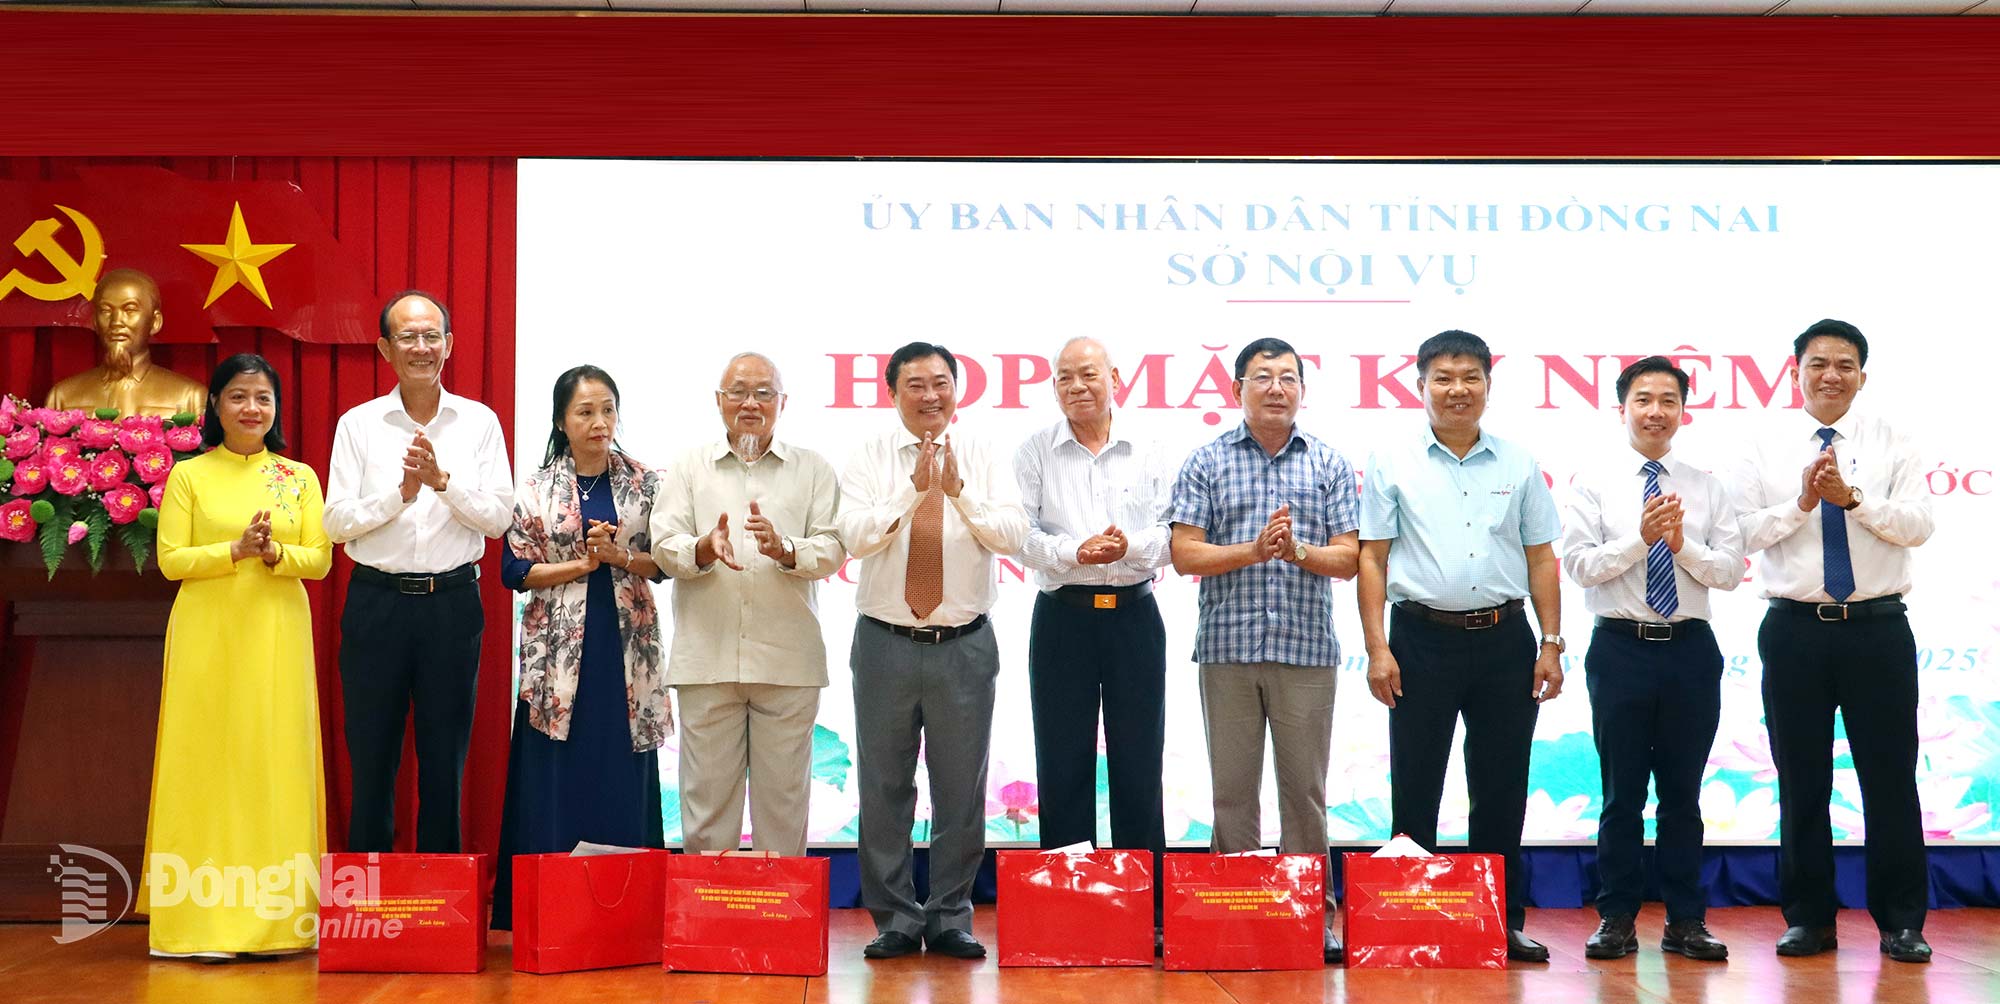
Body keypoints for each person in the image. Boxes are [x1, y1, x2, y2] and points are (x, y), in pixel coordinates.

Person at [1356, 329, 1564, 964]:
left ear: (1488, 386)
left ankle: (1498, 925)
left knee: (1501, 787)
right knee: (1415, 786)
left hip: (1505, 641)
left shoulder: (1519, 462)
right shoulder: (1392, 461)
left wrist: (1551, 643)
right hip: (1419, 640)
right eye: (1443, 378)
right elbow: (1373, 559)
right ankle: (1407, 921)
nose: (1457, 390)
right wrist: (1376, 647)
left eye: (1470, 377)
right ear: (1420, 387)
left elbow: (1541, 559)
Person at [1729, 319, 1935, 964]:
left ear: (1862, 376)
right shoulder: (1761, 445)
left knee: (1890, 778)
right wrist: (1800, 503)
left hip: (1877, 628)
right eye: (1818, 363)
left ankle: (1902, 922)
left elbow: (1918, 524)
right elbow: (1743, 534)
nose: (1831, 375)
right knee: (1802, 778)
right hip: (1795, 631)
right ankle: (1809, 919)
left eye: (1845, 364)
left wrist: (1853, 500)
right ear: (1796, 372)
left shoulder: (1894, 441)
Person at [1166, 337, 1360, 964]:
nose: (1275, 387)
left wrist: (1298, 551)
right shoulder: (1206, 461)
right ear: (1236, 389)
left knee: (1303, 792)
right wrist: (1253, 550)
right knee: (1233, 792)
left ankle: (1312, 920)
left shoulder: (1328, 464)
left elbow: (1350, 558)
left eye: (1287, 377)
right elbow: (1184, 553)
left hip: (1306, 653)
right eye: (1261, 377)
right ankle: (1237, 913)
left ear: (1303, 389)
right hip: (1228, 649)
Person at [837, 342, 1027, 961]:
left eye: (941, 383)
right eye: (915, 385)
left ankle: (950, 915)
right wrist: (910, 493)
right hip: (886, 641)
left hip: (963, 645)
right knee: (884, 783)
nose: (930, 396)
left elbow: (1013, 534)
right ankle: (894, 916)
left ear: (957, 390)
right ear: (892, 394)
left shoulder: (984, 454)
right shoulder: (867, 457)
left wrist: (957, 493)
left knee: (960, 788)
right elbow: (854, 540)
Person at [140, 353, 331, 958]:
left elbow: (320, 560)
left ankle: (279, 922)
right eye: (238, 397)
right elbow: (171, 560)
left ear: (276, 408)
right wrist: (235, 549)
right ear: (215, 406)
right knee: (206, 760)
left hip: (276, 629)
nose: (252, 409)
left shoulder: (297, 476)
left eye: (263, 398)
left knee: (273, 758)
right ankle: (195, 923)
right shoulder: (188, 475)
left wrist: (275, 556)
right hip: (206, 632)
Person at [1561, 357, 1742, 962]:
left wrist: (1678, 542)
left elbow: (1731, 571)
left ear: (1683, 412)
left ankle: (1687, 920)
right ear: (1622, 409)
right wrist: (1641, 537)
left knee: (1683, 793)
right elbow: (1581, 565)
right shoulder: (1592, 482)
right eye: (1643, 399)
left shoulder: (1708, 485)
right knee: (1621, 793)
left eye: (1668, 400)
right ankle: (1616, 917)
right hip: (1619, 648)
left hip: (1690, 649)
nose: (1656, 411)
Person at [324, 291, 513, 853]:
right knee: (372, 761)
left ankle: (439, 915)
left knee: (443, 763)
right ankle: (369, 906)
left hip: (451, 608)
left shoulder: (479, 422)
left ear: (449, 345)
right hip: (375, 605)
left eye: (432, 336)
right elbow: (335, 522)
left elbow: (499, 518)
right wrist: (401, 495)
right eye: (408, 336)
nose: (422, 347)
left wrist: (442, 483)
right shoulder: (358, 425)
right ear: (385, 348)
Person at [491, 365, 670, 929]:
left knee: (621, 768)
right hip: (557, 658)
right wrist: (581, 564)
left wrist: (621, 559)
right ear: (562, 421)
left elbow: (665, 564)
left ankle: (626, 913)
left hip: (625, 651)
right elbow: (513, 570)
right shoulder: (537, 486)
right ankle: (551, 911)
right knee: (555, 773)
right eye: (585, 412)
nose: (599, 423)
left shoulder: (647, 483)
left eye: (608, 410)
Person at [651, 353, 844, 856]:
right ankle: (708, 926)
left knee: (783, 809)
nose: (751, 403)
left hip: (788, 664)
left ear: (783, 402)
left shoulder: (814, 469)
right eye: (738, 392)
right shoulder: (689, 467)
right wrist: (701, 548)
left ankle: (778, 929)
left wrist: (786, 549)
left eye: (763, 392)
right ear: (719, 401)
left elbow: (832, 548)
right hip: (707, 662)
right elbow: (663, 545)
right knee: (707, 811)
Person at [1014, 337, 1173, 902]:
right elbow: (1022, 538)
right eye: (1064, 378)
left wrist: (1126, 547)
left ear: (1115, 378)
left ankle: (1145, 906)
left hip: (1133, 619)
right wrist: (1074, 554)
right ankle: (1067, 905)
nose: (1077, 387)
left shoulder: (1150, 448)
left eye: (1088, 375)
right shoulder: (1034, 451)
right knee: (1062, 764)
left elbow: (1170, 536)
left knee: (1138, 762)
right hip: (1064, 620)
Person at [45, 267, 206, 417]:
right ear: (94, 322)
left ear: (155, 322)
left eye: (129, 309)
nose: (116, 321)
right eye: (106, 311)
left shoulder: (190, 397)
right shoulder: (63, 396)